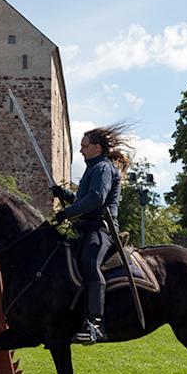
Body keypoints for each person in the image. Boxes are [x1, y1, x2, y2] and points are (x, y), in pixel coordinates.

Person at [50, 123, 131, 346]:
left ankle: (95, 324)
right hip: (85, 228)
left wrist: (66, 212)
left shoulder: (103, 168)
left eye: (84, 146)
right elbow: (82, 201)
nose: (81, 150)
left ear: (96, 147)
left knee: (89, 263)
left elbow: (96, 199)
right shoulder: (92, 169)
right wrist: (65, 195)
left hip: (101, 228)